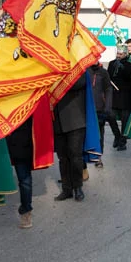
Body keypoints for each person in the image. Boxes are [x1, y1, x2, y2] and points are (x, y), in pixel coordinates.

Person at [54, 73, 88, 201]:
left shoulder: (78, 68)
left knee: (76, 156)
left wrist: (57, 77)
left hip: (75, 120)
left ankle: (78, 187)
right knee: (62, 158)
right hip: (57, 121)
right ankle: (66, 189)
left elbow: (79, 83)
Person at [106, 45, 131, 150]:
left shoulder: (129, 64)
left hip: (125, 95)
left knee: (124, 119)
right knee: (110, 116)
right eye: (118, 53)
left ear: (125, 54)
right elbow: (108, 76)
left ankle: (123, 141)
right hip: (114, 95)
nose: (119, 56)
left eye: (121, 54)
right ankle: (117, 135)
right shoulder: (112, 63)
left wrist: (124, 69)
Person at [89, 58, 113, 168]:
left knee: (99, 134)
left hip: (100, 108)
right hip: (87, 108)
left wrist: (107, 106)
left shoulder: (103, 72)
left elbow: (108, 89)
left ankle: (98, 157)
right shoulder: (85, 71)